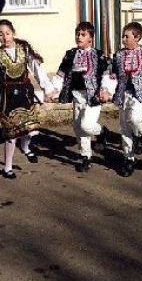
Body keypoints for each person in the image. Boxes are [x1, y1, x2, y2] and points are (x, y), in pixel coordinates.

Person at [0, 20, 56, 179]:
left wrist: (48, 89)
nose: (5, 37)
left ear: (13, 32)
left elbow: (37, 69)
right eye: (1, 34)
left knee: (28, 127)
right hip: (8, 96)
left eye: (7, 33)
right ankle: (7, 167)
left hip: (25, 92)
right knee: (11, 134)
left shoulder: (24, 49)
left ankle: (26, 148)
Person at [104, 22, 142, 177]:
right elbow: (112, 75)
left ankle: (140, 135)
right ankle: (128, 159)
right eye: (123, 36)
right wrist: (107, 90)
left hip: (139, 93)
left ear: (137, 37)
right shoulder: (118, 55)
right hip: (122, 93)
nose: (124, 39)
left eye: (127, 36)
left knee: (135, 118)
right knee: (124, 128)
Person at [52, 22, 111, 173]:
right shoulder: (71, 54)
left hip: (93, 96)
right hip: (77, 95)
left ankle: (102, 131)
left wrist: (105, 90)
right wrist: (53, 90)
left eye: (83, 35)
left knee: (86, 125)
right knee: (78, 128)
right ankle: (86, 157)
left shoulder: (98, 55)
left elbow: (106, 75)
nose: (79, 37)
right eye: (77, 34)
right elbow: (61, 74)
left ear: (90, 38)